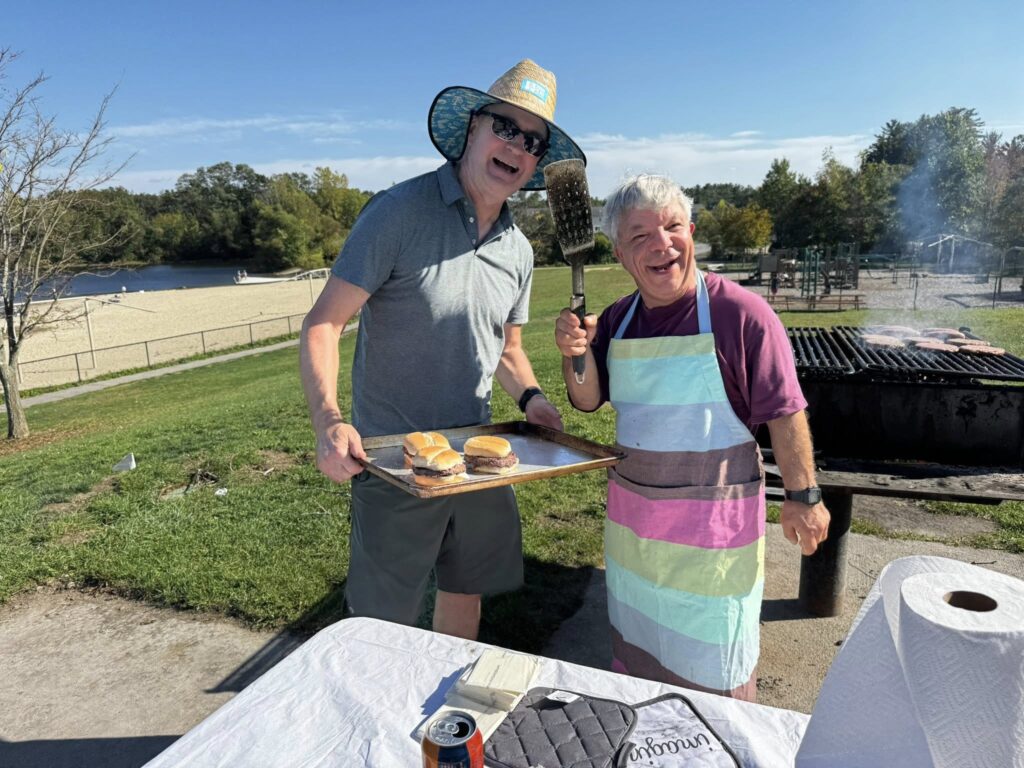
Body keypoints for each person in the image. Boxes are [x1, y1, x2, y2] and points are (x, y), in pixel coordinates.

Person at [300, 60, 585, 641]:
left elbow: (506, 348)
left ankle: (448, 710)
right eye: (505, 127)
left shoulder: (519, 250)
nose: (517, 147)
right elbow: (322, 325)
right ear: (471, 130)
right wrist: (329, 421)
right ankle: (374, 724)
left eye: (532, 141)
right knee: (380, 625)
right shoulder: (396, 214)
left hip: (480, 455)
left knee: (465, 590)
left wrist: (531, 398)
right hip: (393, 461)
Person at [554, 174, 830, 701]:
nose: (661, 244)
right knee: (638, 668)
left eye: (672, 227)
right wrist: (576, 354)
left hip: (712, 544)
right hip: (635, 537)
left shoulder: (741, 316)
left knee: (713, 686)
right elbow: (587, 400)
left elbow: (786, 411)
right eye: (640, 236)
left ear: (692, 232)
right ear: (620, 254)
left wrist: (804, 497)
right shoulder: (618, 319)